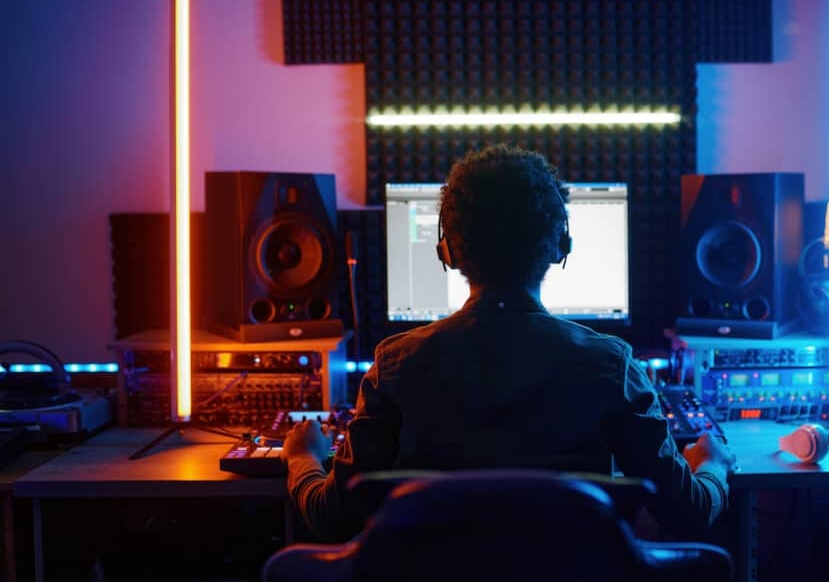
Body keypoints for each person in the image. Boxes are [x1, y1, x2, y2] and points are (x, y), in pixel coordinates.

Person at [283, 143, 735, 540]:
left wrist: (304, 457)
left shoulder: (396, 365)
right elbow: (688, 515)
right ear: (562, 246)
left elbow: (333, 519)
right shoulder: (610, 367)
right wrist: (712, 462)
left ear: (449, 251)